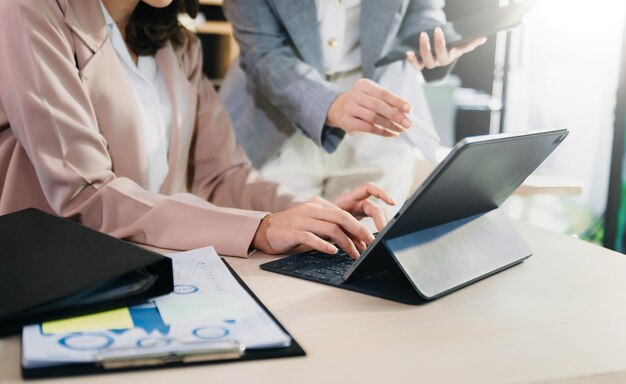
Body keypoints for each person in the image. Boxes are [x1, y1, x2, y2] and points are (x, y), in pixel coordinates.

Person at [0, 0, 395, 260]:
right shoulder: (28, 11)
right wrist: (261, 227)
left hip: (156, 269)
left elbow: (221, 176)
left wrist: (307, 214)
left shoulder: (177, 44)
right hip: (54, 272)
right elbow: (85, 193)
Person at [219, 0, 486, 213]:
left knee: (368, 248)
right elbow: (263, 53)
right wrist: (331, 104)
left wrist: (429, 40)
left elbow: (421, 8)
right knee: (276, 253)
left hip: (378, 117)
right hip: (274, 117)